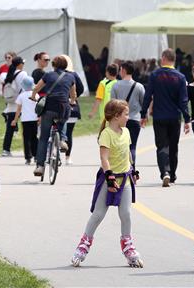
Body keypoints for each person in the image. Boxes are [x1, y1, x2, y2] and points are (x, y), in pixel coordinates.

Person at [70, 99, 143, 268]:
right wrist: (109, 176)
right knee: (98, 214)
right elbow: (104, 158)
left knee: (126, 214)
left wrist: (134, 169)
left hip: (124, 179)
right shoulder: (106, 134)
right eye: (126, 114)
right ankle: (83, 246)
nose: (128, 117)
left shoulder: (126, 132)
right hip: (109, 179)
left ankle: (128, 247)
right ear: (116, 116)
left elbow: (128, 153)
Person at [140, 49, 191, 187]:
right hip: (174, 117)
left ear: (163, 58)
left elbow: (148, 96)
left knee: (162, 146)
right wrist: (187, 119)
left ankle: (165, 172)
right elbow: (183, 101)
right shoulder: (180, 77)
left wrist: (143, 114)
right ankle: (173, 175)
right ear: (173, 60)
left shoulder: (155, 75)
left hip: (159, 116)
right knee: (174, 146)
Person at [30, 55, 77, 176]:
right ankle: (62, 140)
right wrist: (72, 102)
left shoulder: (48, 75)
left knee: (44, 138)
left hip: (49, 107)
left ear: (54, 65)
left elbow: (37, 87)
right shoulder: (71, 77)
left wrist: (33, 95)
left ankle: (40, 166)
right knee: (63, 119)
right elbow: (73, 94)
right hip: (63, 107)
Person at [111, 60, 145, 166]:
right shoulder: (139, 86)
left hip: (119, 121)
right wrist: (145, 117)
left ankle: (121, 169)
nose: (120, 72)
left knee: (120, 147)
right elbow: (144, 103)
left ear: (124, 71)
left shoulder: (116, 86)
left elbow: (112, 104)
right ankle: (132, 171)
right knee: (132, 146)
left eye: (121, 69)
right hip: (135, 120)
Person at [1, 56, 28, 157]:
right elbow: (25, 87)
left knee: (10, 129)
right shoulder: (23, 74)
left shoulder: (9, 73)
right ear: (20, 64)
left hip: (11, 104)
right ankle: (28, 152)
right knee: (26, 128)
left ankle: (6, 149)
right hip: (21, 104)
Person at [62, 54, 85, 165]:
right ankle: (68, 157)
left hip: (56, 105)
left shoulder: (53, 74)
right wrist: (73, 97)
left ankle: (52, 153)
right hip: (72, 106)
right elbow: (81, 88)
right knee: (69, 133)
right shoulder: (73, 75)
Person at [11, 76, 39, 165]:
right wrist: (39, 117)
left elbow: (18, 109)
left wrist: (15, 120)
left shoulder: (21, 96)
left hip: (25, 120)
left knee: (26, 138)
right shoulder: (36, 94)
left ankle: (28, 157)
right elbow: (38, 107)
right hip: (34, 119)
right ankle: (36, 156)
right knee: (34, 137)